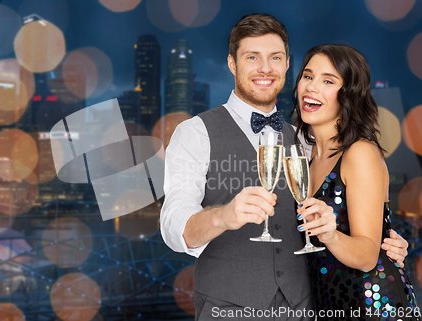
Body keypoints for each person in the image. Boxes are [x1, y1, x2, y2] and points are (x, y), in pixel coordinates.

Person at [160, 13, 409, 321]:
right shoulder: (194, 133)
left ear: (287, 64)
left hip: (306, 309)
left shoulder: (305, 141)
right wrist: (223, 216)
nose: (265, 68)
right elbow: (174, 226)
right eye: (252, 57)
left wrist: (385, 243)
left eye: (275, 57)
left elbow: (349, 207)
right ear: (232, 64)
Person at [294, 44, 418, 320]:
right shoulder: (307, 156)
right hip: (328, 304)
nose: (311, 87)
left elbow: (366, 255)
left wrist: (330, 235)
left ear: (348, 94)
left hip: (373, 304)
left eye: (328, 80)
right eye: (307, 76)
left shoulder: (359, 153)